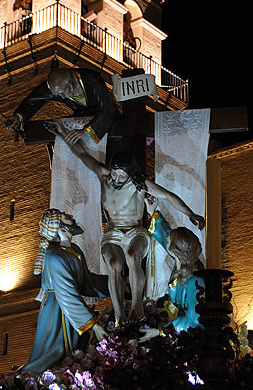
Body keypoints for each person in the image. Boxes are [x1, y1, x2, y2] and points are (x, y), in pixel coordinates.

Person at [44, 121, 205, 324]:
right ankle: (120, 314)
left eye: (122, 176)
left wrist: (191, 214)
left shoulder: (140, 185)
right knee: (113, 264)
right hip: (113, 231)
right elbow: (82, 154)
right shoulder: (104, 176)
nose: (117, 179)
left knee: (132, 255)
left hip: (135, 231)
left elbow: (169, 197)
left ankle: (137, 307)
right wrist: (61, 132)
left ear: (130, 173)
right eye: (114, 174)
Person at [22, 209, 109, 373]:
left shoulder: (74, 251)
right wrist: (93, 325)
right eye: (65, 218)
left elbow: (88, 283)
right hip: (58, 311)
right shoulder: (54, 256)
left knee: (74, 354)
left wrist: (119, 285)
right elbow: (66, 293)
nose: (71, 218)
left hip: (71, 308)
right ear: (60, 228)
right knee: (56, 354)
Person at [139, 210, 205, 341]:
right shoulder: (180, 264)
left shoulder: (195, 282)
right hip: (178, 331)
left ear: (176, 250)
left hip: (191, 338)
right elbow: (166, 235)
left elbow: (194, 321)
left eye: (169, 243)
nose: (166, 242)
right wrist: (152, 210)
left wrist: (161, 332)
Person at [3, 67, 117, 144]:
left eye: (63, 92)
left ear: (71, 80)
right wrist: (19, 117)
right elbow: (34, 99)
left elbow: (107, 108)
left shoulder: (92, 79)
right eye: (58, 94)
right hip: (81, 118)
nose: (62, 97)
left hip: (105, 121)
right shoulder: (57, 87)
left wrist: (86, 131)